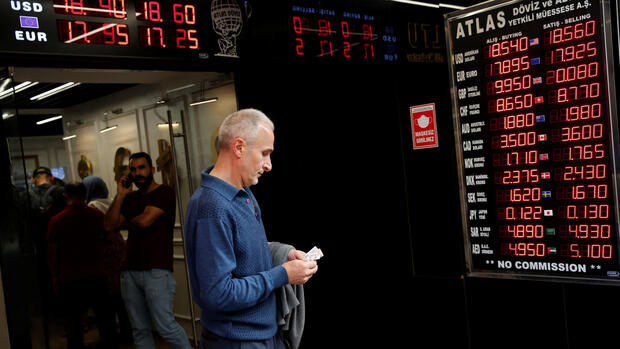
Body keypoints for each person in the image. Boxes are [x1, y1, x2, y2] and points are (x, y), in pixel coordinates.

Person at [184, 108, 318, 349]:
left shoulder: (243, 193)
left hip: (264, 337)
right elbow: (218, 293)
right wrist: (283, 274)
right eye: (265, 154)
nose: (269, 165)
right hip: (237, 342)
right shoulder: (210, 207)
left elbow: (240, 250)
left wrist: (283, 253)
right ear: (239, 147)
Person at [104, 152, 192, 349]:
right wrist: (120, 196)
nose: (138, 173)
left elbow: (144, 221)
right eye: (133, 170)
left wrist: (124, 223)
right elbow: (109, 226)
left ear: (152, 170)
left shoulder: (165, 192)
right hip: (129, 271)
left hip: (157, 270)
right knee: (139, 330)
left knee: (166, 326)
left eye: (142, 168)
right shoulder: (129, 198)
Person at [46, 182, 118, 349]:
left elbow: (52, 253)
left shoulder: (56, 221)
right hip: (97, 275)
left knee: (74, 326)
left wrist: (54, 276)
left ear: (66, 196)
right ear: (85, 195)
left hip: (70, 278)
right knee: (105, 323)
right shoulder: (97, 216)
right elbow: (107, 242)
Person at [83, 176, 133, 344]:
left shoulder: (91, 207)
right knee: (122, 296)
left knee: (106, 299)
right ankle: (127, 333)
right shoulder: (111, 201)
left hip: (104, 253)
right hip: (119, 250)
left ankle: (110, 336)